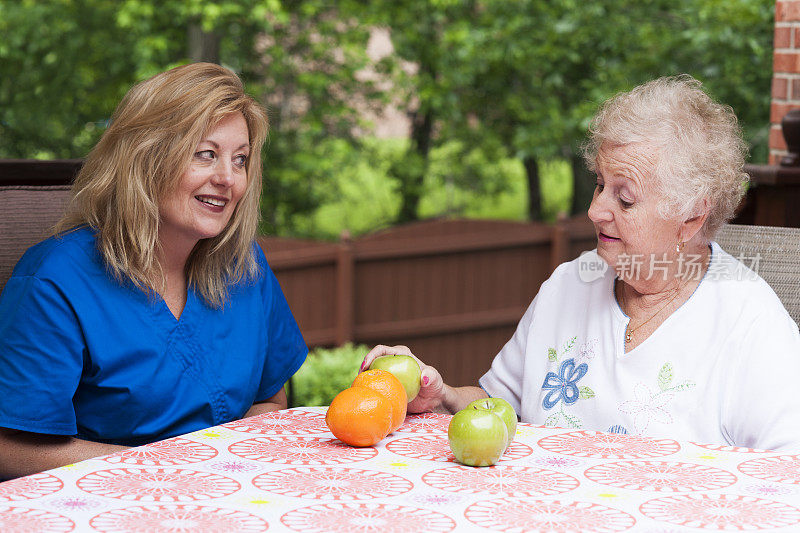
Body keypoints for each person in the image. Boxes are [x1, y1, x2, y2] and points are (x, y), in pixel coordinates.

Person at [362, 75, 800, 451]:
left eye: (624, 198)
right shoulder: (568, 285)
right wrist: (441, 396)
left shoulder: (749, 324)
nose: (595, 211)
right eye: (599, 184)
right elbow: (500, 406)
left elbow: (785, 478)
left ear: (691, 218)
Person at [0, 63, 307, 478]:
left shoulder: (244, 265)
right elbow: (11, 449)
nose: (228, 179)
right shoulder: (54, 281)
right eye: (206, 154)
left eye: (241, 160)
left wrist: (226, 470)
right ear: (146, 156)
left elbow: (270, 400)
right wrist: (169, 469)